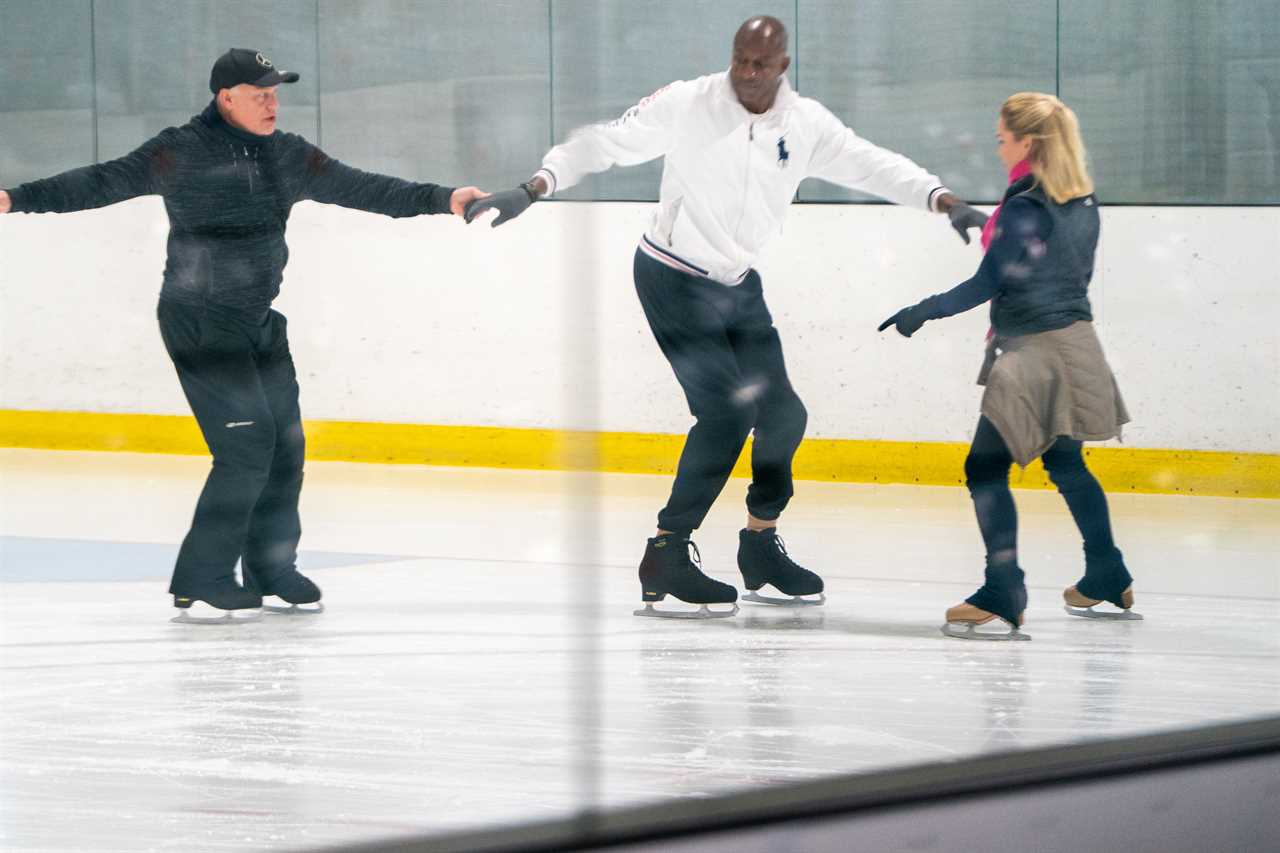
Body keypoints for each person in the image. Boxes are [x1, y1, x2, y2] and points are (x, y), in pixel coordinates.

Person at [465, 17, 987, 618]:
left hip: (736, 285)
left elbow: (871, 163)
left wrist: (941, 199)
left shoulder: (805, 123)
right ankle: (666, 553)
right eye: (740, 59)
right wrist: (534, 186)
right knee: (725, 413)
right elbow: (605, 142)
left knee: (784, 414)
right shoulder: (690, 101)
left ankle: (759, 547)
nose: (746, 72)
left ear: (782, 66)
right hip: (671, 275)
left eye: (760, 63)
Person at [0, 49, 486, 622]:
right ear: (225, 96)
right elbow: (100, 181)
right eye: (260, 93)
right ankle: (202, 576)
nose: (272, 103)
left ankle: (271, 567)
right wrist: (16, 198)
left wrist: (443, 199)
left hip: (257, 319)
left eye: (276, 92)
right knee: (247, 448)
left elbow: (366, 189)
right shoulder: (179, 150)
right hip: (200, 320)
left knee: (285, 446)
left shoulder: (288, 155)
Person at [878, 91, 1139, 640]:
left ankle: (1004, 588)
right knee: (1067, 466)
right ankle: (1108, 571)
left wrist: (919, 312)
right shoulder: (1080, 201)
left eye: (1002, 139)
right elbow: (1055, 269)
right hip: (1077, 344)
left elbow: (985, 283)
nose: (998, 149)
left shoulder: (1025, 207)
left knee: (984, 469)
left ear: (1028, 142)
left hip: (1035, 354)